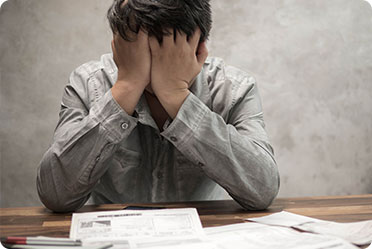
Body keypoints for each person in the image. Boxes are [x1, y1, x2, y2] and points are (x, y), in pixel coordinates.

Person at [37, 0, 280, 213]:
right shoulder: (88, 83)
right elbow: (55, 195)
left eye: (164, 51)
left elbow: (262, 190)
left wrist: (176, 96)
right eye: (139, 52)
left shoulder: (233, 89)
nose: (151, 65)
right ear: (119, 47)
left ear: (198, 49)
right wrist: (127, 86)